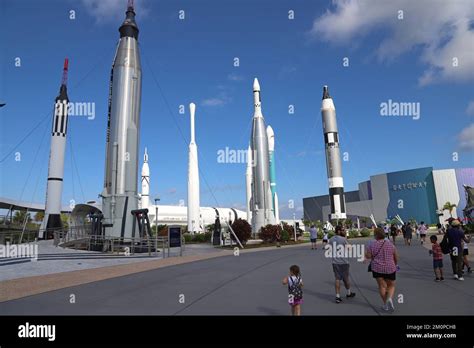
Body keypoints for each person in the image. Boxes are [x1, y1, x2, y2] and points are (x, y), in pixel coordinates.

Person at [365, 227, 399, 312]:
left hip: (377, 268)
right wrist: (395, 264)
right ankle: (389, 299)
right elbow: (396, 256)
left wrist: (369, 254)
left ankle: (385, 305)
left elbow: (368, 256)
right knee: (391, 285)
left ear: (375, 235)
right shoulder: (390, 244)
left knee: (382, 286)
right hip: (390, 267)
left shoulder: (372, 245)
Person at [328, 225, 356, 303]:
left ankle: (337, 296)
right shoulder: (343, 239)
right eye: (343, 230)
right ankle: (348, 292)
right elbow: (350, 249)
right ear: (339, 231)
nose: (344, 231)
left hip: (335, 262)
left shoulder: (331, 239)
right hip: (344, 262)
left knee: (337, 279)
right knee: (346, 278)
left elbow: (329, 249)